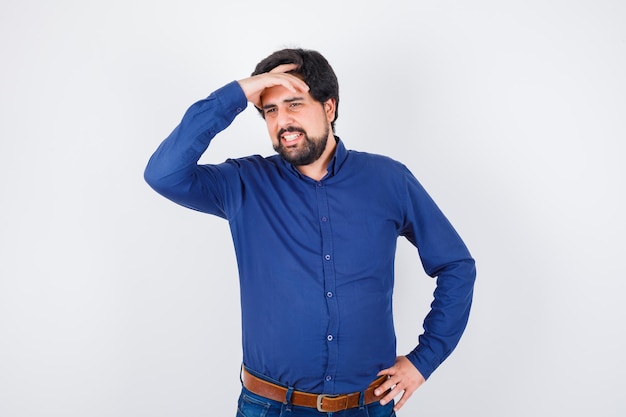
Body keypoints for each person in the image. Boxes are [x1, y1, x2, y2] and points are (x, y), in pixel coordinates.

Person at [144, 48, 476, 416]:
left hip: (367, 406)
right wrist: (236, 94)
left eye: (294, 105)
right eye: (270, 110)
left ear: (329, 108)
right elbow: (163, 173)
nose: (282, 121)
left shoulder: (388, 180)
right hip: (271, 407)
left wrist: (423, 360)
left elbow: (456, 265)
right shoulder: (243, 183)